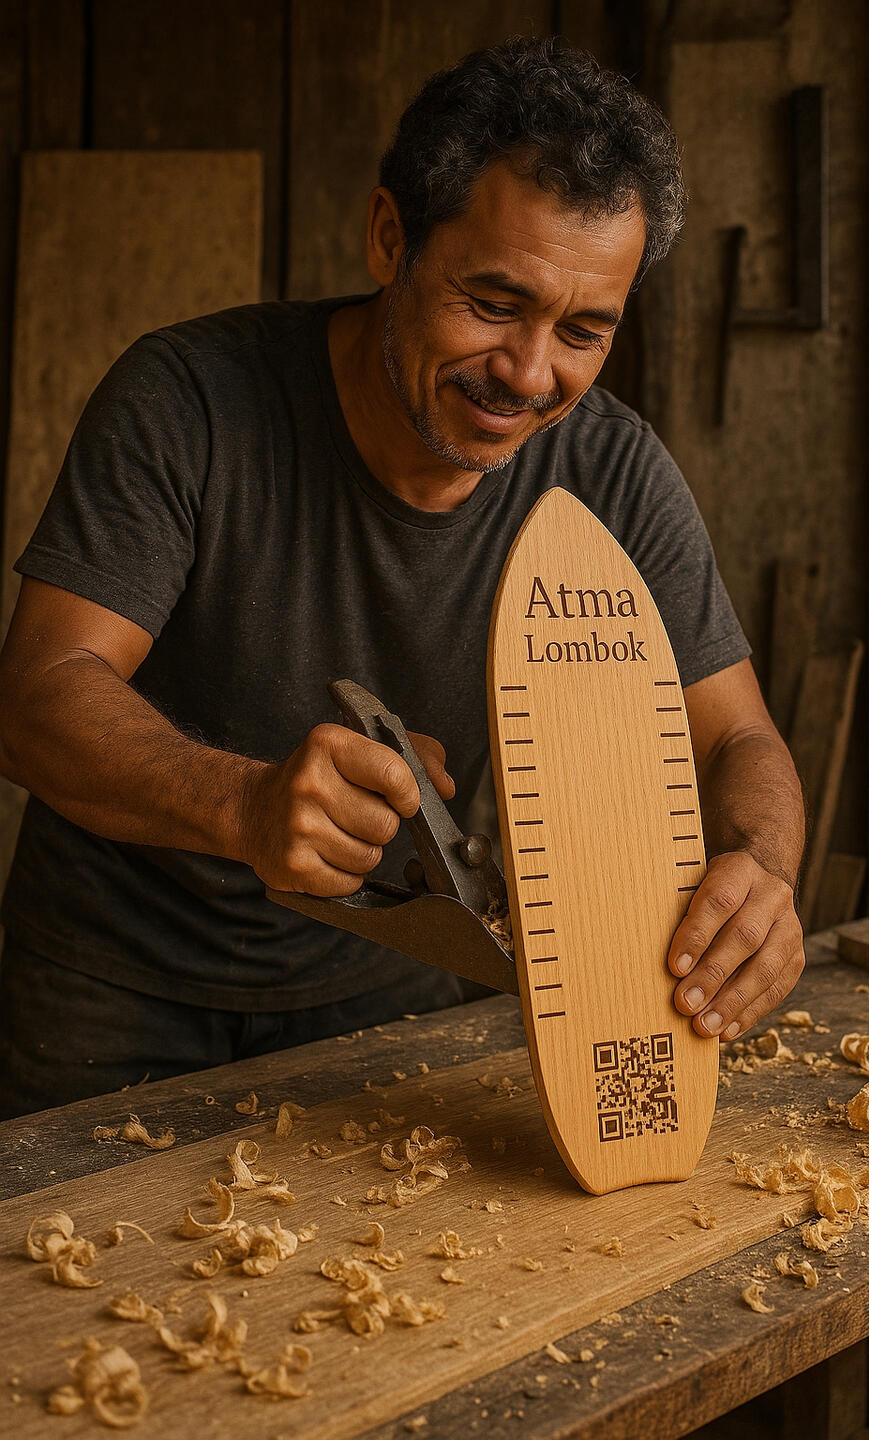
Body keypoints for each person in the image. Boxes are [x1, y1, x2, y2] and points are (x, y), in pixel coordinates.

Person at [0, 37, 804, 1119]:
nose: (528, 373)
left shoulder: (612, 471)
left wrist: (760, 872)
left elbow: (737, 738)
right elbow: (39, 693)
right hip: (113, 989)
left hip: (397, 1004)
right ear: (391, 239)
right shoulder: (186, 400)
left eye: (582, 331)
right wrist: (242, 804)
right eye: (491, 302)